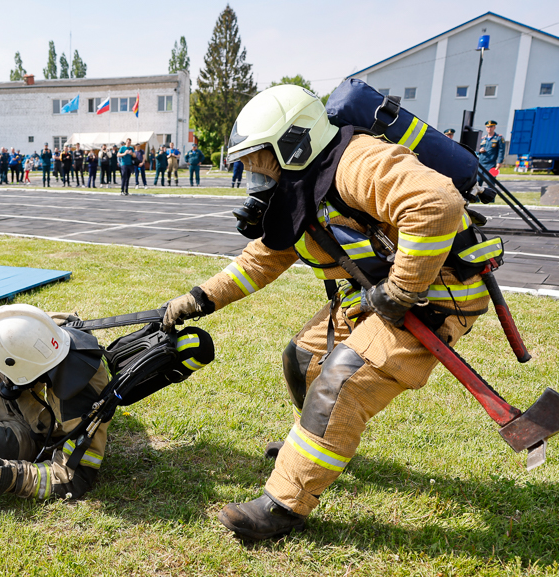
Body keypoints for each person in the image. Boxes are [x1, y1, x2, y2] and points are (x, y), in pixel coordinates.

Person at [161, 84, 494, 541]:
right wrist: (199, 298)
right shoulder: (306, 182)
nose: (253, 174)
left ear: (293, 143)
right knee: (301, 359)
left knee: (340, 383)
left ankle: (283, 505)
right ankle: (319, 440)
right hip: (377, 294)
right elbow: (263, 259)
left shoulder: (358, 162)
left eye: (258, 160)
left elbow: (435, 204)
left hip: (435, 298)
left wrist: (401, 289)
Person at [0, 304, 214, 501]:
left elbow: (74, 477)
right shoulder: (31, 330)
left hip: (34, 430)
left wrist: (15, 478)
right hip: (12, 390)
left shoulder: (82, 401)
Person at [477, 120, 505, 184]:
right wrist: (479, 151)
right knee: (477, 184)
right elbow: (476, 150)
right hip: (481, 164)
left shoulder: (499, 138)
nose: (489, 128)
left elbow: (501, 151)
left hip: (491, 164)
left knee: (490, 183)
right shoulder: (483, 139)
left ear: (494, 127)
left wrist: (499, 162)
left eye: (491, 127)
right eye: (488, 127)